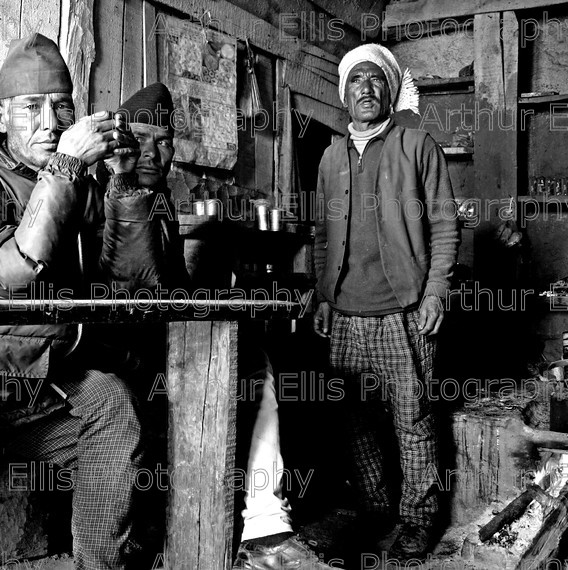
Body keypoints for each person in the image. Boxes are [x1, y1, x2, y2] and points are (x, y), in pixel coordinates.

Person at [0, 35, 179, 570]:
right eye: (30, 108)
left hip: (48, 374)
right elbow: (17, 272)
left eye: (62, 106)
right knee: (110, 405)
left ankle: (114, 552)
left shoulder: (81, 183)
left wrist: (123, 184)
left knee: (152, 400)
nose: (51, 121)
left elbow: (128, 283)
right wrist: (64, 167)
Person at [109, 82, 323, 570]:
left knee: (257, 363)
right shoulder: (115, 193)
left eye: (163, 141)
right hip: (120, 350)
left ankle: (264, 523)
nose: (152, 152)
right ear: (119, 143)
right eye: (141, 138)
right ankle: (255, 525)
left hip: (157, 340)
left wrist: (220, 302)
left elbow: (170, 288)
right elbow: (132, 287)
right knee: (247, 367)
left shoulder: (158, 199)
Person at [312, 44, 459, 560]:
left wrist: (436, 291)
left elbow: (445, 224)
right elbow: (322, 237)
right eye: (357, 81)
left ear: (390, 91)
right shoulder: (330, 157)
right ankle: (375, 511)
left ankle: (419, 520)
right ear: (345, 94)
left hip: (403, 312)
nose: (366, 89)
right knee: (353, 422)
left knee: (413, 420)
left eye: (376, 81)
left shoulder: (417, 145)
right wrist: (324, 296)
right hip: (346, 315)